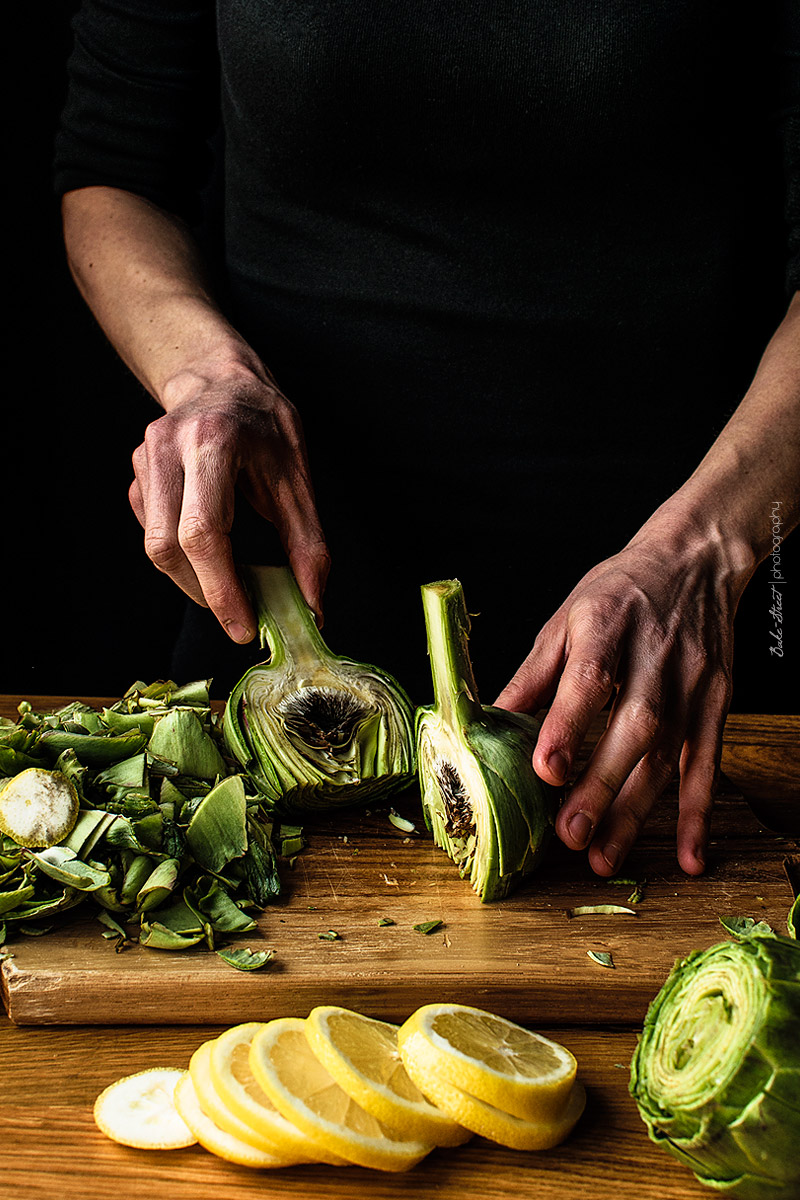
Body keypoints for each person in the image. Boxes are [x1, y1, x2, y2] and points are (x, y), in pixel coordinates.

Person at [55, 1, 799, 879]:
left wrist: (711, 544)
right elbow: (114, 170)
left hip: (675, 660)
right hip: (277, 629)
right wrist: (205, 373)